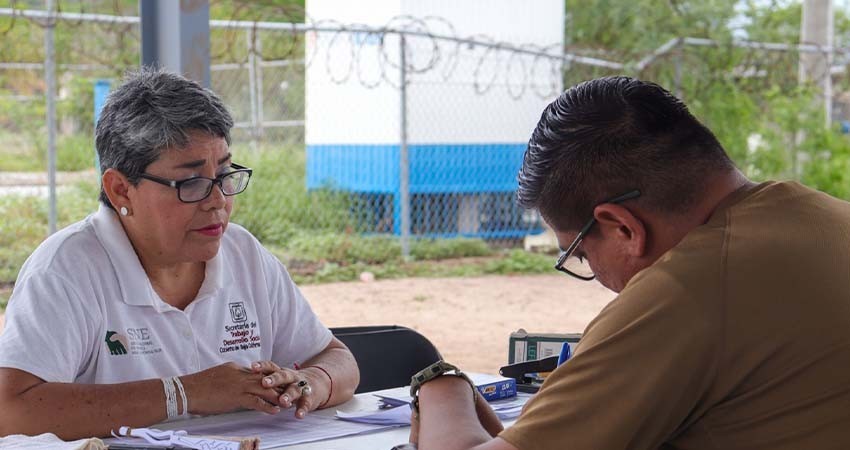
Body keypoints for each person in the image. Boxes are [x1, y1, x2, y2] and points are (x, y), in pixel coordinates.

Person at [408, 76, 850, 449]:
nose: (597, 277)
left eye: (580, 252)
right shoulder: (826, 217)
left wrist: (442, 385)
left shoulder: (690, 288)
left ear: (622, 227)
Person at [0, 68, 359, 440]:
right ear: (121, 189)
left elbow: (337, 359)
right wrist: (184, 393)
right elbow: (11, 411)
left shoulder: (243, 254)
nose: (218, 201)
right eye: (191, 183)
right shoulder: (66, 269)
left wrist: (307, 384)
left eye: (223, 175)